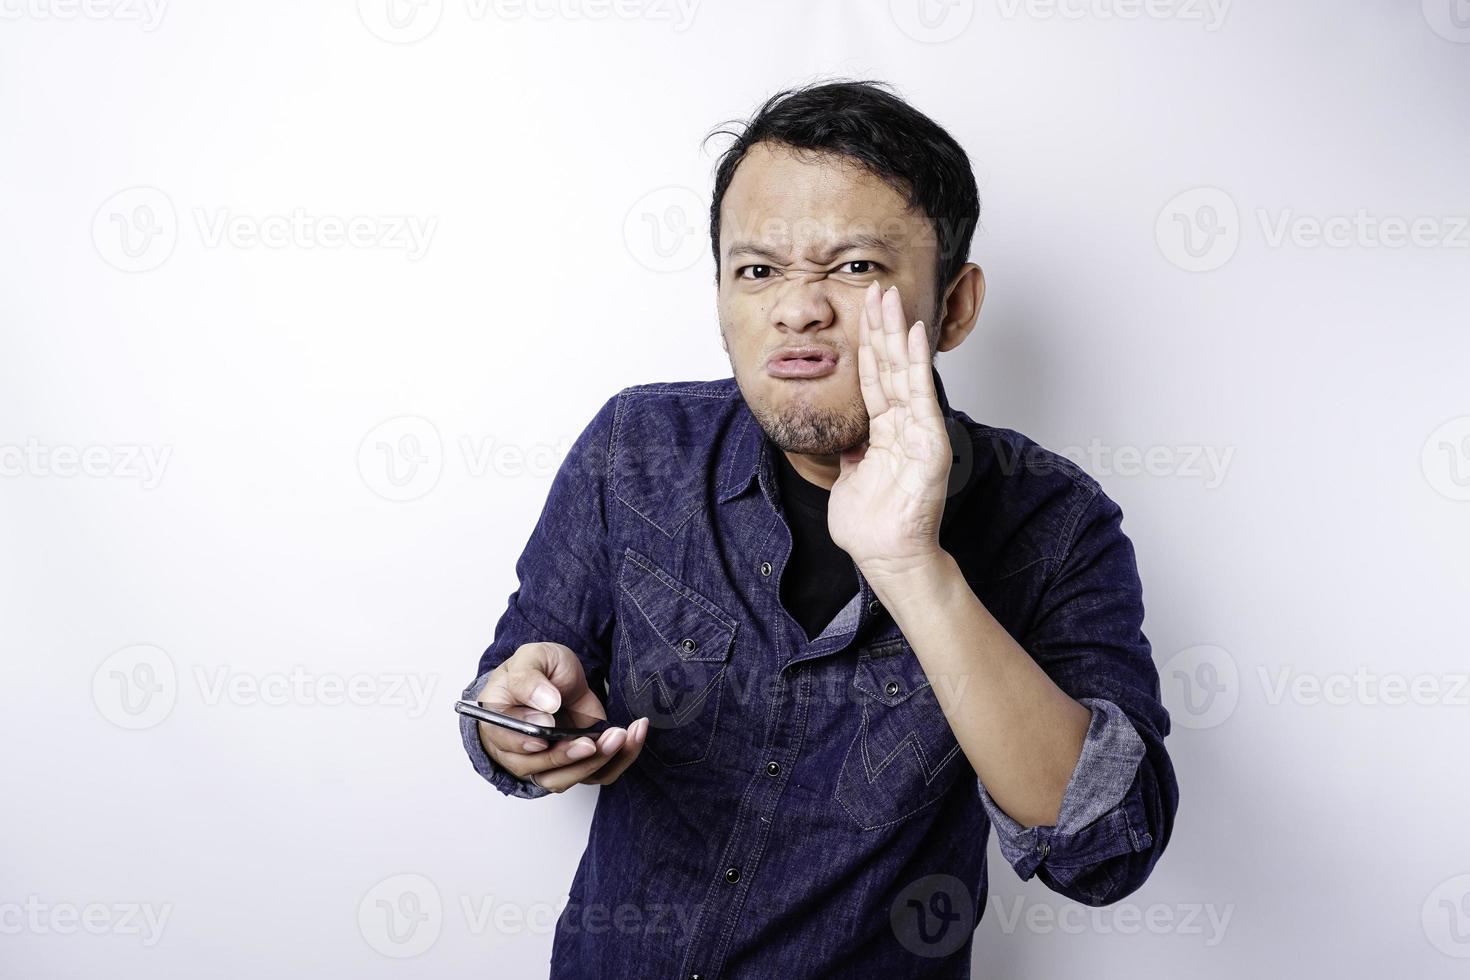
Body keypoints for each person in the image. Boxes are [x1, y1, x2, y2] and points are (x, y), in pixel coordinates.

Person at [459, 78, 1179, 979]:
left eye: (856, 267)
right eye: (757, 270)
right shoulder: (636, 450)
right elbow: (508, 690)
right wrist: (516, 722)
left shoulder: (1056, 522)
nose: (798, 309)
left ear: (954, 306)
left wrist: (913, 566)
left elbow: (1106, 847)